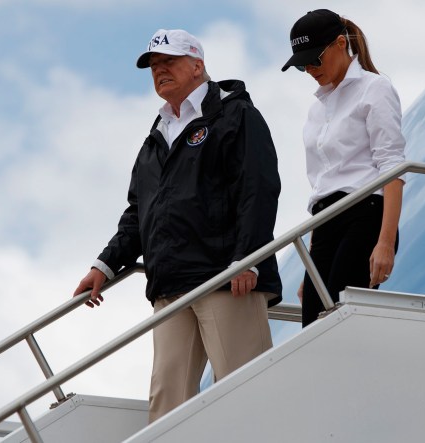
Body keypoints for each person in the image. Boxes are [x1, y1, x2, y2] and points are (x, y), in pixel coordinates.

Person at [73, 29, 282, 422]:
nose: (159, 71)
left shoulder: (236, 115)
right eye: (154, 66)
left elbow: (258, 188)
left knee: (244, 395)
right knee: (167, 403)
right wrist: (103, 265)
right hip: (170, 286)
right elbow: (139, 213)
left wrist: (248, 259)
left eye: (168, 62)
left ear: (197, 65)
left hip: (227, 277)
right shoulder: (155, 138)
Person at [282, 10, 406, 327]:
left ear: (340, 44)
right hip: (325, 224)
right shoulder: (316, 108)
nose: (309, 69)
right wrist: (313, 265)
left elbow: (392, 166)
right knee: (312, 322)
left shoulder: (374, 88)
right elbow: (322, 185)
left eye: (314, 59)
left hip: (365, 213)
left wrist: (386, 242)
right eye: (301, 64)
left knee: (340, 321)